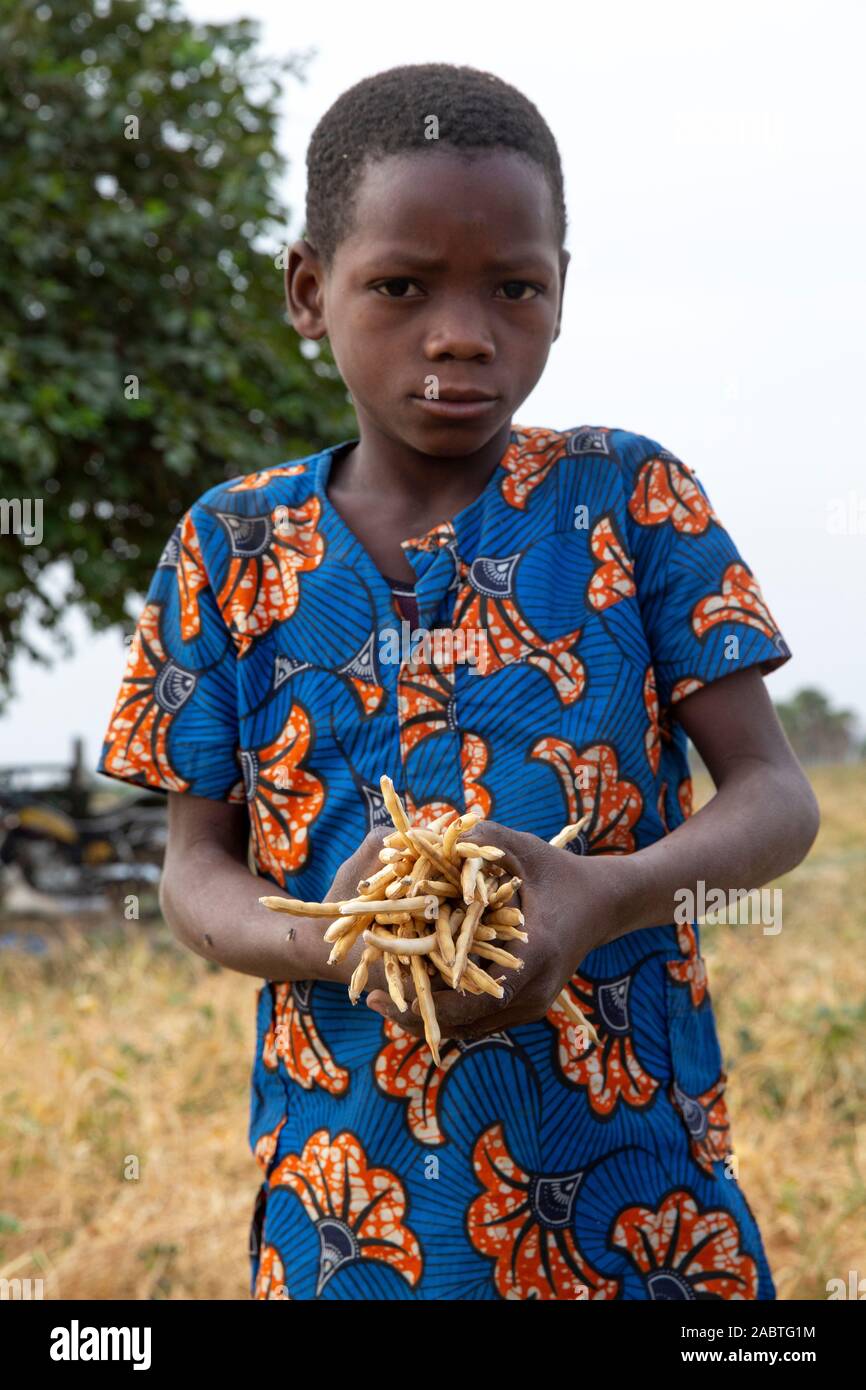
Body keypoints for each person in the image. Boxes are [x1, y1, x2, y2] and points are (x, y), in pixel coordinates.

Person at [98, 62, 819, 1301]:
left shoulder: (629, 501)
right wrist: (356, 942)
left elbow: (772, 795)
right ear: (308, 290)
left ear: (560, 293)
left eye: (512, 287)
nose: (460, 333)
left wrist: (605, 893)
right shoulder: (230, 547)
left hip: (637, 1201)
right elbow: (194, 875)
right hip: (347, 1217)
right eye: (399, 285)